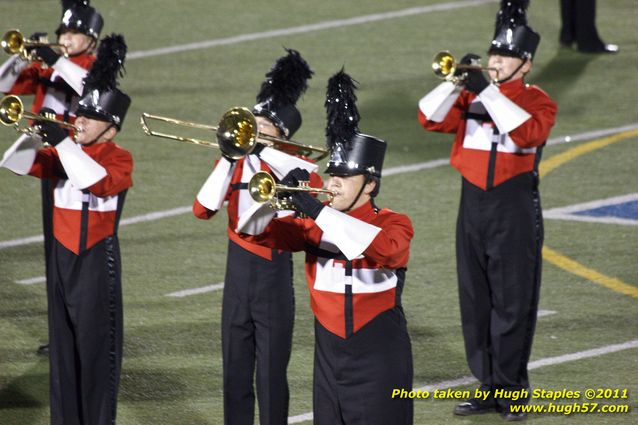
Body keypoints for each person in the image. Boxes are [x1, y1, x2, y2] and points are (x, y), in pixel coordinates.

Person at [239, 70, 414, 425]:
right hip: (328, 364)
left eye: (343, 178)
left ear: (370, 185)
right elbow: (251, 231)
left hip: (379, 361)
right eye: (331, 175)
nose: (332, 184)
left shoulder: (394, 222)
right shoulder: (311, 226)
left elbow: (387, 251)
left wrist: (315, 209)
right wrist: (277, 195)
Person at [417, 0, 557, 421]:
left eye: (506, 56)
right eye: (494, 55)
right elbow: (427, 117)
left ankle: (513, 390)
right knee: (475, 298)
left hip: (513, 206)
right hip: (472, 202)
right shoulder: (473, 94)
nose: (496, 61)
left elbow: (527, 134)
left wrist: (489, 92)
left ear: (526, 64)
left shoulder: (538, 101)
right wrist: (455, 82)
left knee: (512, 300)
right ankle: (488, 383)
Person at [1, 34, 132, 425]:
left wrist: (64, 143)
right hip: (62, 259)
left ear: (110, 128)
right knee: (63, 353)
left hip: (95, 261)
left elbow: (94, 181)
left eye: (89, 119)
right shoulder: (67, 151)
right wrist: (38, 131)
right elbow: (15, 162)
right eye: (80, 115)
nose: (80, 121)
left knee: (96, 357)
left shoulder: (119, 158)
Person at [192, 49, 319, 425]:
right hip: (237, 272)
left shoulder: (300, 169)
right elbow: (202, 210)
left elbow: (286, 228)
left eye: (265, 128)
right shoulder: (234, 159)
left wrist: (283, 183)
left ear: (282, 135)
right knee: (234, 372)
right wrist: (230, 159)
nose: (256, 132)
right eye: (254, 124)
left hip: (273, 274)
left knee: (270, 376)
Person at [0, 0, 103, 355]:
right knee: (55, 255)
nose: (67, 39)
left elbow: (91, 87)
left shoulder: (93, 65)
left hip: (80, 165)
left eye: (75, 33)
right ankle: (60, 336)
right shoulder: (50, 66)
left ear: (91, 40)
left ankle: (82, 333)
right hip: (49, 162)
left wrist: (57, 58)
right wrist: (21, 56)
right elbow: (3, 85)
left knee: (77, 255)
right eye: (64, 33)